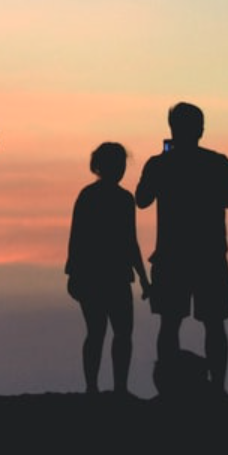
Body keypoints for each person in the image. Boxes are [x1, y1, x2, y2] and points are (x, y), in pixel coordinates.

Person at [135, 101, 228, 396]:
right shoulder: (217, 162)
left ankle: (169, 389)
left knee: (170, 323)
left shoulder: (160, 164)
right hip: (209, 255)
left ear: (172, 129)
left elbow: (141, 199)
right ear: (201, 129)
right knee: (214, 324)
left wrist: (163, 164)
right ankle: (218, 389)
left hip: (173, 257)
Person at [65, 142, 151, 395]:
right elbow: (126, 241)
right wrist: (143, 279)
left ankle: (107, 388)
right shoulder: (115, 198)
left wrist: (143, 278)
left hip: (103, 276)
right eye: (118, 163)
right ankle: (110, 388)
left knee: (105, 333)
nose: (121, 169)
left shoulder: (96, 196)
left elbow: (128, 241)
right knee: (111, 333)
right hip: (105, 276)